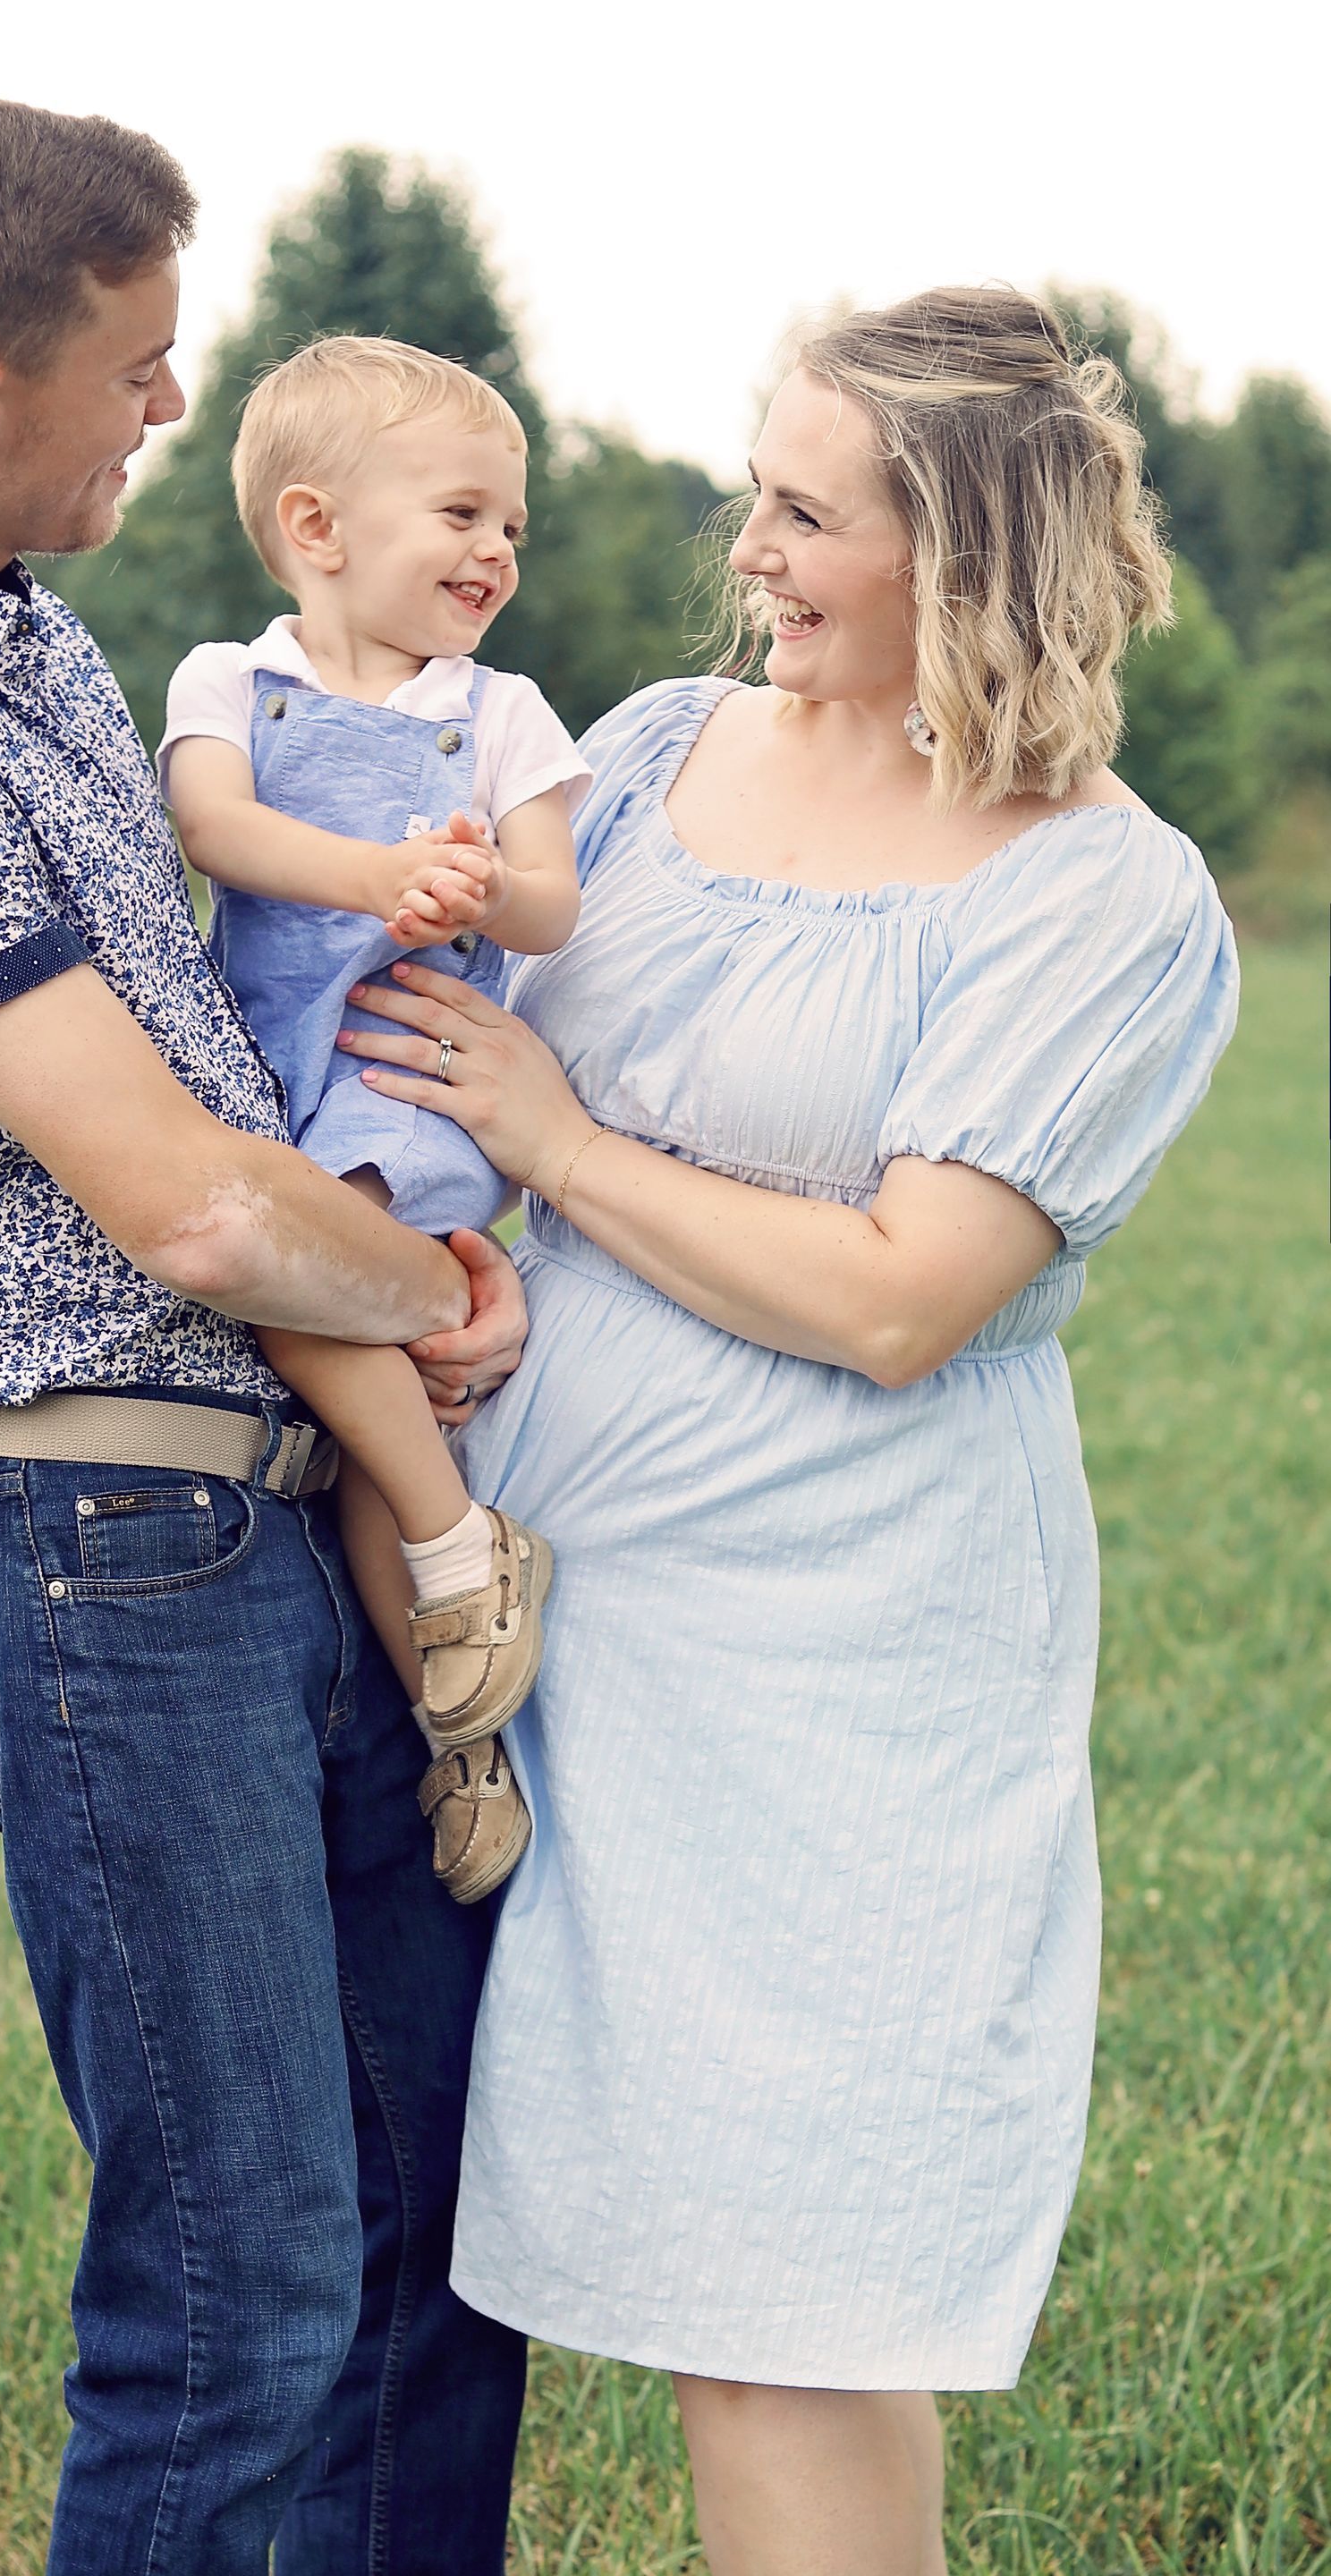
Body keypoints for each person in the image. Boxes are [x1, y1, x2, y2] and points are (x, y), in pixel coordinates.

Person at [0, 94, 529, 2576]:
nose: (174, 405)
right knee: (239, 2299)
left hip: (265, 1515)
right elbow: (184, 1198)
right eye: (140, 367)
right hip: (95, 1545)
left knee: (425, 2245)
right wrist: (438, 1298)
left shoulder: (27, 642)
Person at [337, 287, 1240, 2576]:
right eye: (760, 491)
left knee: (789, 2306)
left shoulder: (1103, 890)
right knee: (413, 2239)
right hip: (528, 1617)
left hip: (841, 1656)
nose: (747, 548)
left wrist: (562, 1145)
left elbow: (904, 1296)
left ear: (969, 554)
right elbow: (442, 1067)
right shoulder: (649, 753)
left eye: (805, 513)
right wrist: (473, 1260)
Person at [162, 335, 589, 1900]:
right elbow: (215, 827)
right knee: (354, 1435)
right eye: (463, 514)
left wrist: (479, 891)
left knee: (297, 1277)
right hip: (274, 1077)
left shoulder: (503, 711)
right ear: (317, 526)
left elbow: (550, 903)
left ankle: (462, 1550)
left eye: (513, 527)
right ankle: (459, 1742)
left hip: (408, 1085)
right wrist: (379, 874)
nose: (498, 552)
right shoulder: (229, 682)